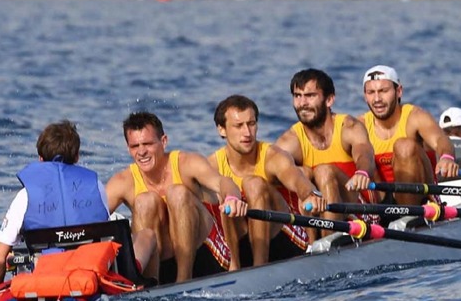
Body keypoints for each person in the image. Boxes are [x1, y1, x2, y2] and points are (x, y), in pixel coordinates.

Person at [0, 121, 155, 282]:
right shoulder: (95, 186)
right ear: (77, 156)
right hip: (90, 277)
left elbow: (0, 259)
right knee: (148, 235)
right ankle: (149, 286)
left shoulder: (25, 196)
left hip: (46, 279)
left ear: (40, 158)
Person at [105, 112, 248, 284]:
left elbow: (223, 182)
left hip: (205, 257)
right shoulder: (123, 181)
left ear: (163, 141)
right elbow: (90, 220)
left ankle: (183, 279)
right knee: (145, 201)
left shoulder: (186, 162)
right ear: (129, 149)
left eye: (148, 144)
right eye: (135, 146)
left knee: (177, 193)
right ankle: (149, 284)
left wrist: (232, 198)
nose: (142, 152)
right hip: (162, 265)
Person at [209, 95, 323, 267]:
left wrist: (309, 193)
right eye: (239, 126)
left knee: (252, 183)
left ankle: (258, 266)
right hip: (241, 241)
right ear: (222, 130)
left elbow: (295, 176)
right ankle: (233, 268)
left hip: (285, 238)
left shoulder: (272, 156)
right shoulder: (212, 165)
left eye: (251, 124)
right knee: (223, 199)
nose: (247, 133)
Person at [275, 68, 376, 226]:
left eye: (310, 96)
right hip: (318, 213)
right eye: (297, 96)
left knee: (324, 171)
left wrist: (362, 172)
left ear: (329, 100)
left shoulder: (348, 127)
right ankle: (314, 244)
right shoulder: (289, 141)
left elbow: (365, 152)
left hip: (361, 210)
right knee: (300, 173)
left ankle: (328, 242)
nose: (302, 103)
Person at [360, 64, 458, 204]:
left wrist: (447, 157)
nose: (377, 99)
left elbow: (441, 140)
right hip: (382, 199)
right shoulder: (360, 125)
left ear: (399, 91)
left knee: (404, 145)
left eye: (383, 91)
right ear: (365, 96)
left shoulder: (415, 117)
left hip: (420, 196)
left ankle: (410, 213)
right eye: (371, 92)